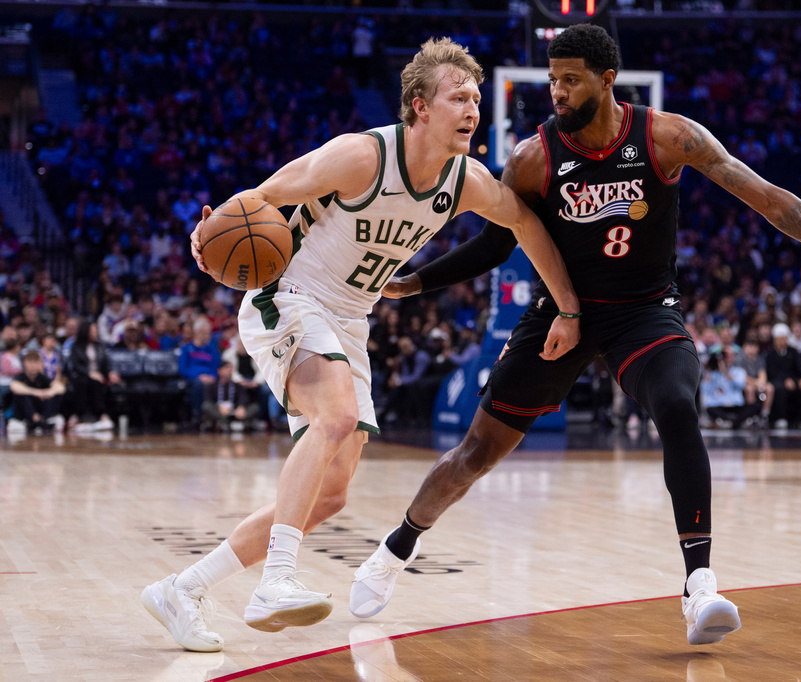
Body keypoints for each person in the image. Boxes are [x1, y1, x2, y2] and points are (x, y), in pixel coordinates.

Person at [350, 24, 801, 647]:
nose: (557, 91)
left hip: (644, 311)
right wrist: (416, 282)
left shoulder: (669, 137)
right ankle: (395, 548)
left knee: (677, 405)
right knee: (477, 453)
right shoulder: (534, 158)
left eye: (570, 80)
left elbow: (769, 200)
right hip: (563, 311)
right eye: (554, 79)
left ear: (607, 80)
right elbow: (495, 243)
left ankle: (700, 586)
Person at [141, 37, 580, 653]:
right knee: (337, 417)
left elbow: (526, 225)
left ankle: (181, 590)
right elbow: (265, 196)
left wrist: (568, 306)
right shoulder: (361, 156)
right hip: (290, 293)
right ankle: (275, 581)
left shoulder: (466, 181)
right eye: (458, 98)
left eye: (476, 99)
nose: (473, 110)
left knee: (331, 495)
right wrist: (208, 232)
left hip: (350, 319)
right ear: (420, 106)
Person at [7, 350, 65, 434]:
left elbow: (60, 388)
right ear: (24, 363)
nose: (33, 365)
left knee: (54, 395)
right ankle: (35, 419)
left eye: (35, 362)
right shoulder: (20, 377)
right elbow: (14, 386)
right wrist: (37, 393)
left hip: (40, 411)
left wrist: (49, 392)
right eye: (30, 362)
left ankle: (43, 419)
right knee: (22, 395)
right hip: (24, 414)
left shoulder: (42, 377)